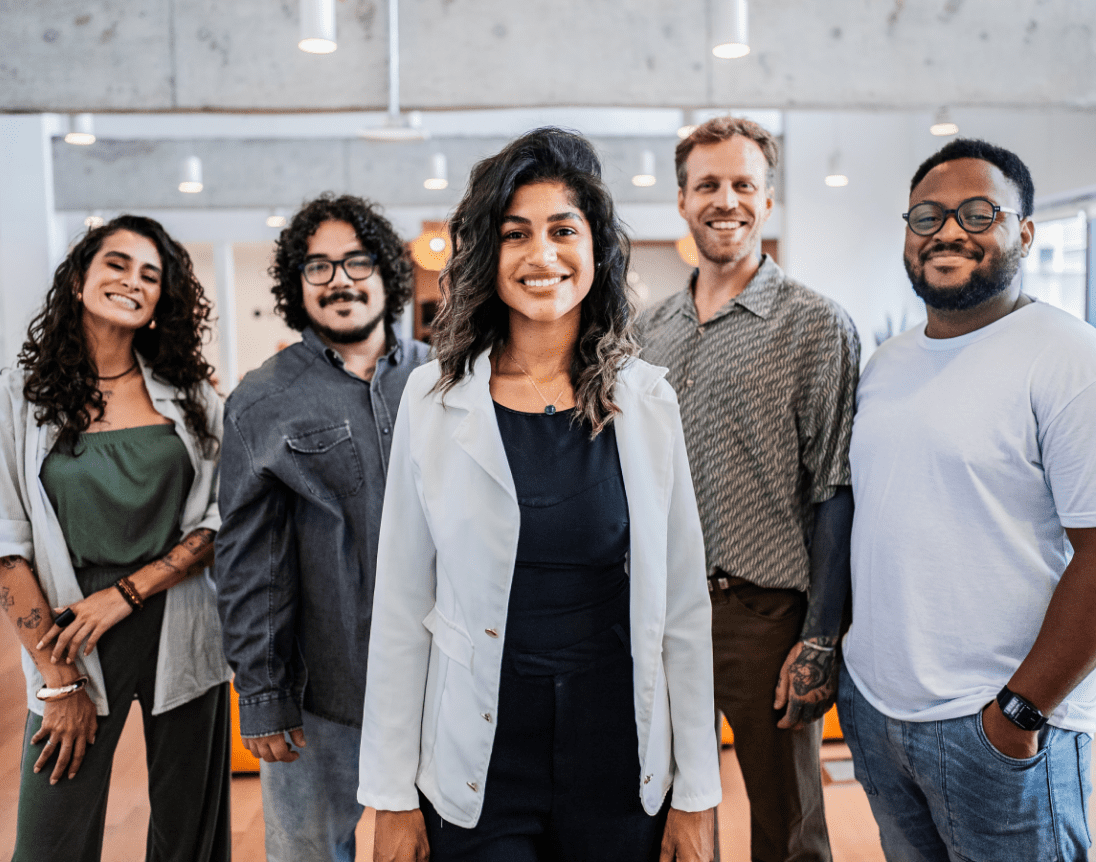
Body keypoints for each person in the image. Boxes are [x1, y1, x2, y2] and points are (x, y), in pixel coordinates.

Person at [359, 127, 721, 862]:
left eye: (563, 230)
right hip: (477, 754)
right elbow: (400, 605)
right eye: (514, 233)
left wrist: (697, 793)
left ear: (596, 251)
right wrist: (391, 797)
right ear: (486, 256)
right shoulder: (434, 399)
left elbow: (682, 607)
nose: (541, 255)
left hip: (617, 749)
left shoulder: (647, 402)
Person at [839, 138, 1096, 860]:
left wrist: (1018, 712)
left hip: (996, 728)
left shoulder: (1068, 357)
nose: (948, 230)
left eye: (978, 212)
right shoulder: (886, 364)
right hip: (879, 713)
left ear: (1025, 232)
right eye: (927, 215)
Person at [639, 116, 859, 862]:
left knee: (788, 830)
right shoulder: (649, 331)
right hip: (662, 611)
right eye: (708, 185)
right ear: (681, 200)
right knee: (665, 815)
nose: (724, 200)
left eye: (742, 184)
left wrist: (820, 639)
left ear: (769, 201)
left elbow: (835, 485)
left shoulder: (815, 325)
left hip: (765, 617)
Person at [0, 215, 231, 862]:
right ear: (79, 279)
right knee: (50, 840)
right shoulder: (16, 399)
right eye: (117, 265)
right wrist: (57, 682)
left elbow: (223, 515)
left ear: (163, 300)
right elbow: (6, 546)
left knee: (190, 837)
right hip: (69, 634)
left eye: (150, 276)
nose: (132, 281)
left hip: (182, 622)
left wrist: (129, 592)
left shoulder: (191, 399)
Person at [214, 193, 429, 862]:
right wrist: (263, 693)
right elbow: (248, 563)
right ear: (295, 285)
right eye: (318, 266)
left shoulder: (447, 379)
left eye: (357, 261)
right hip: (321, 695)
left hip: (439, 689)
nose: (339, 279)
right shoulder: (262, 399)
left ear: (388, 273)